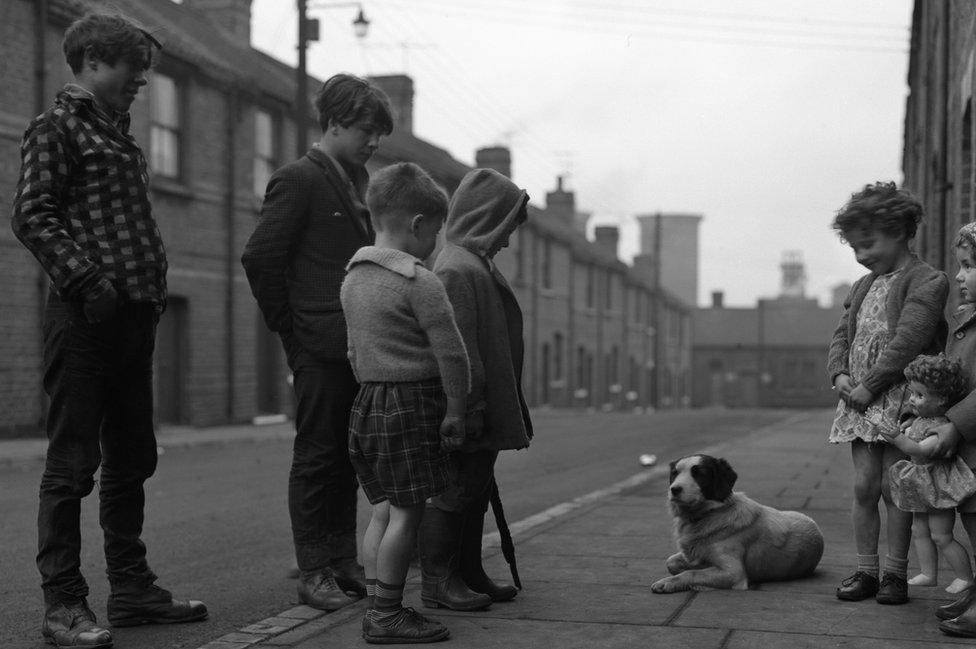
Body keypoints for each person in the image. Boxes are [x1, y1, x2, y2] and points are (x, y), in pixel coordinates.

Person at [10, 13, 207, 649]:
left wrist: (138, 297)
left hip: (135, 319)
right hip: (85, 321)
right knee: (72, 462)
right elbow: (32, 215)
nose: (142, 81)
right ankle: (64, 605)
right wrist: (92, 286)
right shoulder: (56, 126)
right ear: (94, 60)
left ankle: (131, 590)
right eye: (133, 69)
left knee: (133, 457)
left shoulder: (117, 136)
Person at [241, 74, 393, 611]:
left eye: (379, 133)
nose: (374, 142)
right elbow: (260, 258)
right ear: (333, 122)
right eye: (366, 130)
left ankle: (341, 559)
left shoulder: (359, 183)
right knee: (315, 456)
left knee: (347, 458)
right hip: (318, 345)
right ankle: (313, 572)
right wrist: (292, 328)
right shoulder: (299, 179)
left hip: (356, 348)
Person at [340, 162, 470, 643]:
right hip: (412, 402)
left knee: (382, 510)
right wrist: (455, 409)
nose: (436, 242)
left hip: (368, 400)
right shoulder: (419, 281)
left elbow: (353, 350)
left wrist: (372, 382)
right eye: (436, 231)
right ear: (418, 224)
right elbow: (452, 353)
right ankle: (389, 615)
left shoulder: (353, 277)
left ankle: (379, 602)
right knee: (409, 513)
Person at [826, 181, 949, 606]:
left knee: (896, 487)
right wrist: (839, 374)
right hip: (859, 400)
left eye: (869, 244)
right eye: (855, 249)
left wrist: (869, 385)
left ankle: (895, 573)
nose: (862, 256)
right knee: (864, 487)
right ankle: (866, 570)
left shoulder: (927, 280)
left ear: (898, 230)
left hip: (901, 400)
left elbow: (909, 340)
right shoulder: (862, 286)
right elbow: (843, 333)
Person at [421, 167, 533, 611]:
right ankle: (439, 583)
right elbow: (457, 348)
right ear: (485, 218)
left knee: (475, 490)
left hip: (484, 404)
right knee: (453, 494)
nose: (507, 239)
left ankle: (469, 573)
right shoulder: (456, 268)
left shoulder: (473, 262)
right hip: (470, 406)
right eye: (505, 227)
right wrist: (468, 406)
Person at [879, 354, 976, 594]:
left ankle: (965, 576)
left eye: (919, 395)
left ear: (942, 398)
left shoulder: (941, 426)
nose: (912, 400)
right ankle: (928, 573)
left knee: (942, 535)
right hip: (921, 485)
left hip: (937, 486)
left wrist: (897, 438)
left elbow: (920, 449)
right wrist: (902, 429)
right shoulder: (920, 419)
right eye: (912, 393)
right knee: (919, 531)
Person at [927, 222, 976, 636]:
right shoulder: (966, 317)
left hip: (971, 434)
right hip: (968, 444)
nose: (959, 276)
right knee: (970, 517)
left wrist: (956, 424)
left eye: (968, 266)